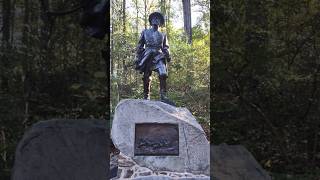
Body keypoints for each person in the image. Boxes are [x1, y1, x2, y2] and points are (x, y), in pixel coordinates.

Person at [135, 12, 174, 105]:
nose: (155, 20)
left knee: (163, 73)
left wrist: (167, 53)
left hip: (158, 56)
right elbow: (140, 46)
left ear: (160, 22)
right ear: (151, 21)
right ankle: (146, 95)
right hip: (147, 55)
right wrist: (138, 57)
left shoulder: (163, 34)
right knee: (146, 76)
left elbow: (166, 47)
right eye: (153, 18)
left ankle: (163, 95)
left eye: (158, 19)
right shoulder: (145, 32)